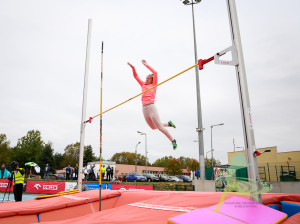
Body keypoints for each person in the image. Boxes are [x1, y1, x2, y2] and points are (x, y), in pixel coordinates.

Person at [128, 60, 177, 150]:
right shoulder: (143, 85)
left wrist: (146, 65)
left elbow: (155, 72)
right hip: (144, 108)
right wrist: (133, 68)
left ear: (152, 80)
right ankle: (169, 124)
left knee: (159, 128)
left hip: (151, 107)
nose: (146, 79)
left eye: (148, 78)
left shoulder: (154, 85)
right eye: (146, 78)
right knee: (153, 127)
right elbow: (135, 76)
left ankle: (173, 140)